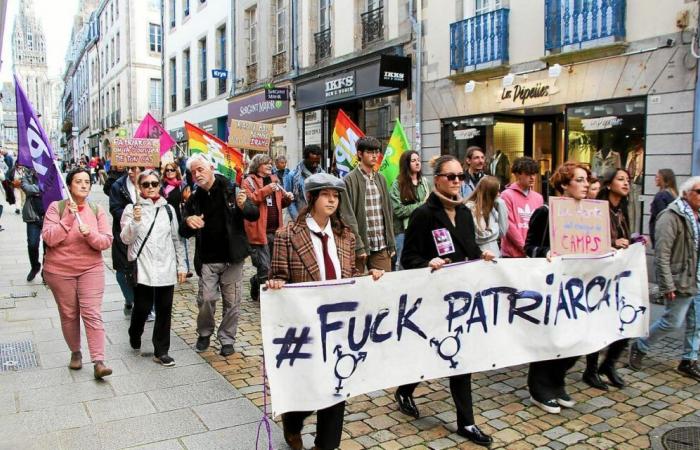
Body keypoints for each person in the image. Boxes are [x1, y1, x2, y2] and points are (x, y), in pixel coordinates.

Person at [267, 173, 384, 450]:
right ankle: (293, 423)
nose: (332, 200)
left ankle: (326, 444)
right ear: (312, 199)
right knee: (307, 387)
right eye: (326, 195)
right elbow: (278, 274)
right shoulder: (287, 235)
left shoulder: (346, 237)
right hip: (305, 326)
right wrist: (276, 282)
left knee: (336, 385)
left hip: (338, 327)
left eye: (336, 195)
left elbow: (350, 277)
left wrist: (371, 276)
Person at [394, 155, 494, 447]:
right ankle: (405, 389)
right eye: (450, 176)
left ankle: (466, 422)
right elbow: (407, 258)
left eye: (460, 177)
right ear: (437, 179)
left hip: (461, 298)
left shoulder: (464, 213)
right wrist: (428, 262)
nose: (456, 182)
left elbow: (470, 249)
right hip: (434, 298)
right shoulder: (424, 214)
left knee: (460, 359)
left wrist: (482, 257)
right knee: (430, 354)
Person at [524, 161, 590, 414]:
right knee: (550, 338)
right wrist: (547, 252)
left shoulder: (588, 214)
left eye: (586, 180)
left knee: (575, 339)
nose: (585, 185)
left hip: (577, 287)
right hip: (550, 287)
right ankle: (539, 388)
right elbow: (528, 247)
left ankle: (557, 381)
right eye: (579, 180)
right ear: (564, 184)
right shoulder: (545, 211)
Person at [180, 153, 259, 356]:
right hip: (208, 258)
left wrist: (244, 205)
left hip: (232, 257)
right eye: (193, 172)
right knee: (206, 299)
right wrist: (189, 222)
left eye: (200, 169)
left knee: (232, 302)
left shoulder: (231, 189)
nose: (197, 174)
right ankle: (204, 333)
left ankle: (227, 338)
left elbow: (253, 213)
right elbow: (184, 230)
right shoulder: (194, 198)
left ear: (211, 169)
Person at [41, 168, 113, 379]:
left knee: (92, 313)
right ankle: (75, 352)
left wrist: (90, 235)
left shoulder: (96, 209)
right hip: (59, 270)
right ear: (69, 185)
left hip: (90, 268)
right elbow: (49, 238)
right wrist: (68, 220)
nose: (83, 185)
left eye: (87, 182)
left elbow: (106, 241)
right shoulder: (57, 208)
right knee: (69, 314)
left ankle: (99, 361)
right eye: (78, 181)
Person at [629, 176, 700, 380]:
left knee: (697, 323)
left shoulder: (698, 216)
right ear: (687, 193)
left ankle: (689, 359)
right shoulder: (670, 216)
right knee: (672, 322)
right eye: (699, 192)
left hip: (696, 276)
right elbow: (662, 254)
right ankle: (640, 345)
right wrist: (667, 284)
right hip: (681, 278)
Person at [121, 170, 187, 367]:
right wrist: (136, 220)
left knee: (165, 309)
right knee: (142, 307)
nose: (150, 187)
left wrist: (181, 265)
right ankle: (135, 332)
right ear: (139, 187)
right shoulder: (131, 209)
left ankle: (161, 350)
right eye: (146, 184)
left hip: (165, 266)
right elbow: (126, 239)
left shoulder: (168, 210)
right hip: (143, 268)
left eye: (154, 184)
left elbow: (176, 239)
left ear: (160, 185)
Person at [582, 168, 632, 391]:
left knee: (627, 320)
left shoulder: (623, 210)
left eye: (628, 180)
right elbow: (589, 241)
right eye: (621, 179)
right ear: (609, 184)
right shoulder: (596, 210)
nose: (626, 183)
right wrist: (611, 245)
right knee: (598, 323)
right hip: (598, 276)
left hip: (618, 274)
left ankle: (609, 363)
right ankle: (591, 370)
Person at [340, 136, 395, 273]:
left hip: (381, 245)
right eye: (370, 152)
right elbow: (347, 215)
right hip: (359, 246)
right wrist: (358, 245)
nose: (375, 156)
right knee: (357, 287)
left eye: (377, 152)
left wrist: (391, 243)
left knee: (384, 288)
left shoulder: (381, 178)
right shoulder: (349, 180)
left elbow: (388, 212)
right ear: (360, 154)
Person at [243, 154, 293, 301]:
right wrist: (266, 190)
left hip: (276, 230)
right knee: (264, 267)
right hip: (259, 231)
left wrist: (287, 199)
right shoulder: (248, 181)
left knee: (274, 266)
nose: (270, 166)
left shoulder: (274, 180)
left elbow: (279, 204)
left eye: (271, 163)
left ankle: (255, 280)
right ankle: (267, 300)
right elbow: (249, 202)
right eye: (266, 163)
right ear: (258, 165)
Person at [109, 166, 143, 316]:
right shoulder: (118, 186)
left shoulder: (150, 182)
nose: (130, 172)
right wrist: (131, 215)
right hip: (123, 233)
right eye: (129, 169)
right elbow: (114, 209)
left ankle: (144, 303)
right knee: (122, 271)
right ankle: (130, 300)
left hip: (145, 236)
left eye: (134, 169)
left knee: (142, 271)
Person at [389, 150, 429, 269]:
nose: (417, 163)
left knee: (422, 261)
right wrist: (422, 204)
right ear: (406, 164)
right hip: (403, 232)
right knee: (401, 263)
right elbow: (399, 210)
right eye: (413, 161)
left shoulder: (425, 183)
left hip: (423, 229)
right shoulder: (397, 185)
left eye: (418, 160)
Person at [500, 157, 543, 258]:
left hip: (533, 255)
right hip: (512, 256)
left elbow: (540, 228)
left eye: (534, 174)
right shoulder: (506, 195)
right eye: (528, 174)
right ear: (517, 174)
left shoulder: (538, 198)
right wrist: (525, 248)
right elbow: (509, 226)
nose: (532, 177)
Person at [161, 161, 192, 276]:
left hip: (179, 217)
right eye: (167, 170)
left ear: (176, 171)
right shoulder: (162, 186)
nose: (169, 172)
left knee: (181, 243)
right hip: (166, 217)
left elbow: (188, 199)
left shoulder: (181, 185)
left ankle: (185, 268)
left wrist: (186, 201)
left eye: (172, 170)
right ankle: (171, 267)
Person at [465, 175, 508, 256]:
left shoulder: (491, 208)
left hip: (494, 254)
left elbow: (502, 232)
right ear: (489, 192)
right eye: (496, 191)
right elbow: (480, 236)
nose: (499, 194)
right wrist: (496, 230)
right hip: (480, 256)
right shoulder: (470, 207)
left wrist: (501, 205)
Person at [285, 144, 325, 220]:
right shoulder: (292, 176)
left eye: (317, 162)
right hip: (299, 217)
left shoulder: (323, 175)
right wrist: (297, 218)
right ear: (305, 159)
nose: (315, 165)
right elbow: (289, 201)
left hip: (318, 217)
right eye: (312, 162)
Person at [19, 166, 45, 281]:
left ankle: (46, 270)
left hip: (48, 216)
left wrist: (39, 190)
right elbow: (27, 188)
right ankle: (35, 266)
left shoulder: (49, 176)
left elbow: (54, 189)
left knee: (49, 246)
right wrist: (42, 188)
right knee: (32, 244)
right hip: (32, 216)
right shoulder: (27, 177)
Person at [649, 169, 678, 246]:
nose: (655, 179)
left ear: (664, 179)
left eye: (658, 177)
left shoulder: (661, 195)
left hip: (662, 236)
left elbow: (662, 218)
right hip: (673, 235)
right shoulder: (674, 195)